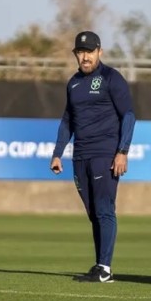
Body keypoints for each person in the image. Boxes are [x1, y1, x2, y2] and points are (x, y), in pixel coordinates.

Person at [50, 30, 135, 283]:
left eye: (90, 52)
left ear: (99, 52)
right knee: (93, 213)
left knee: (104, 210)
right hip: (80, 156)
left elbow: (129, 116)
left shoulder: (111, 78)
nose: (85, 57)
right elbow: (68, 121)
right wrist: (57, 154)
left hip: (105, 154)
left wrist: (122, 152)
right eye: (80, 52)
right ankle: (100, 265)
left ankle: (105, 269)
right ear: (75, 54)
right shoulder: (73, 83)